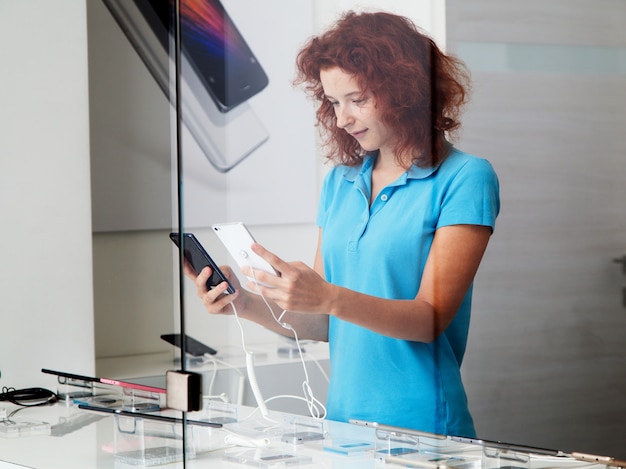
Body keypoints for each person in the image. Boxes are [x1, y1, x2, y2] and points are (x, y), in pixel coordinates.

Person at [186, 10, 500, 438]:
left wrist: (329, 296)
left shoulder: (465, 178)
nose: (342, 119)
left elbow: (428, 320)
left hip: (424, 427)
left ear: (406, 90)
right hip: (343, 425)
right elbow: (323, 320)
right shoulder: (340, 182)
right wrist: (241, 303)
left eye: (357, 99)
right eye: (334, 102)